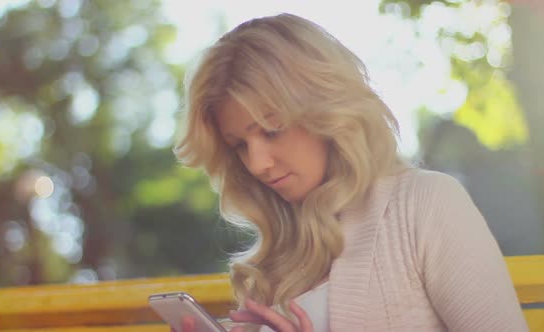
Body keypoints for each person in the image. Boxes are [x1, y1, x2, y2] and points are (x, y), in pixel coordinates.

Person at [172, 13, 528, 332]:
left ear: (327, 110)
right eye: (239, 145)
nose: (256, 163)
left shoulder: (426, 204)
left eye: (271, 129)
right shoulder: (276, 256)